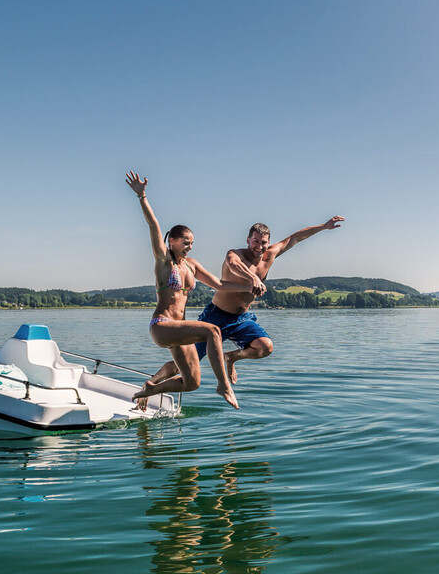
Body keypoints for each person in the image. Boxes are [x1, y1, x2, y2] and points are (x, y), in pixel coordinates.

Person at [143, 214, 345, 388]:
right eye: (255, 241)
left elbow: (295, 238)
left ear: (268, 243)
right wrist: (252, 278)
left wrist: (323, 227)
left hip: (241, 318)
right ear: (248, 240)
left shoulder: (270, 255)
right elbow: (233, 266)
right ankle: (152, 382)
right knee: (187, 361)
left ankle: (230, 357)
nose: (259, 246)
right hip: (216, 316)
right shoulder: (235, 254)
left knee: (265, 347)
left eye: (263, 242)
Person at [125, 171, 261, 410]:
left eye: (192, 243)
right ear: (172, 242)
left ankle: (150, 389)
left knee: (192, 382)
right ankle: (223, 385)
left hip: (180, 330)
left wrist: (248, 285)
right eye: (186, 242)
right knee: (213, 331)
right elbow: (153, 224)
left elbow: (219, 284)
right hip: (162, 325)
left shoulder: (192, 265)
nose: (190, 247)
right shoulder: (164, 262)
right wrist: (142, 196)